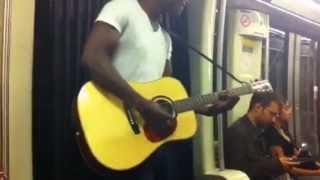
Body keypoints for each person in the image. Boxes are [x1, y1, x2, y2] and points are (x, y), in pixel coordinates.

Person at [82, 0, 239, 179]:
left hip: (147, 142)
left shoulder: (166, 39)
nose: (187, 2)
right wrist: (142, 105)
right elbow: (92, 58)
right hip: (113, 132)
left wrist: (206, 109)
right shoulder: (123, 7)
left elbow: (167, 93)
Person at [224, 92, 297, 180]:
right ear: (257, 107)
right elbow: (240, 171)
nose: (274, 120)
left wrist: (280, 160)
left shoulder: (259, 130)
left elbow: (258, 161)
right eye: (272, 114)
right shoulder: (236, 132)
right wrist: (276, 164)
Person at [264, 104, 320, 179]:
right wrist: (316, 173)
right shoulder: (272, 134)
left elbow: (292, 153)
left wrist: (296, 154)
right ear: (277, 113)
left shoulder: (283, 128)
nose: (290, 112)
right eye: (286, 109)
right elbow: (284, 167)